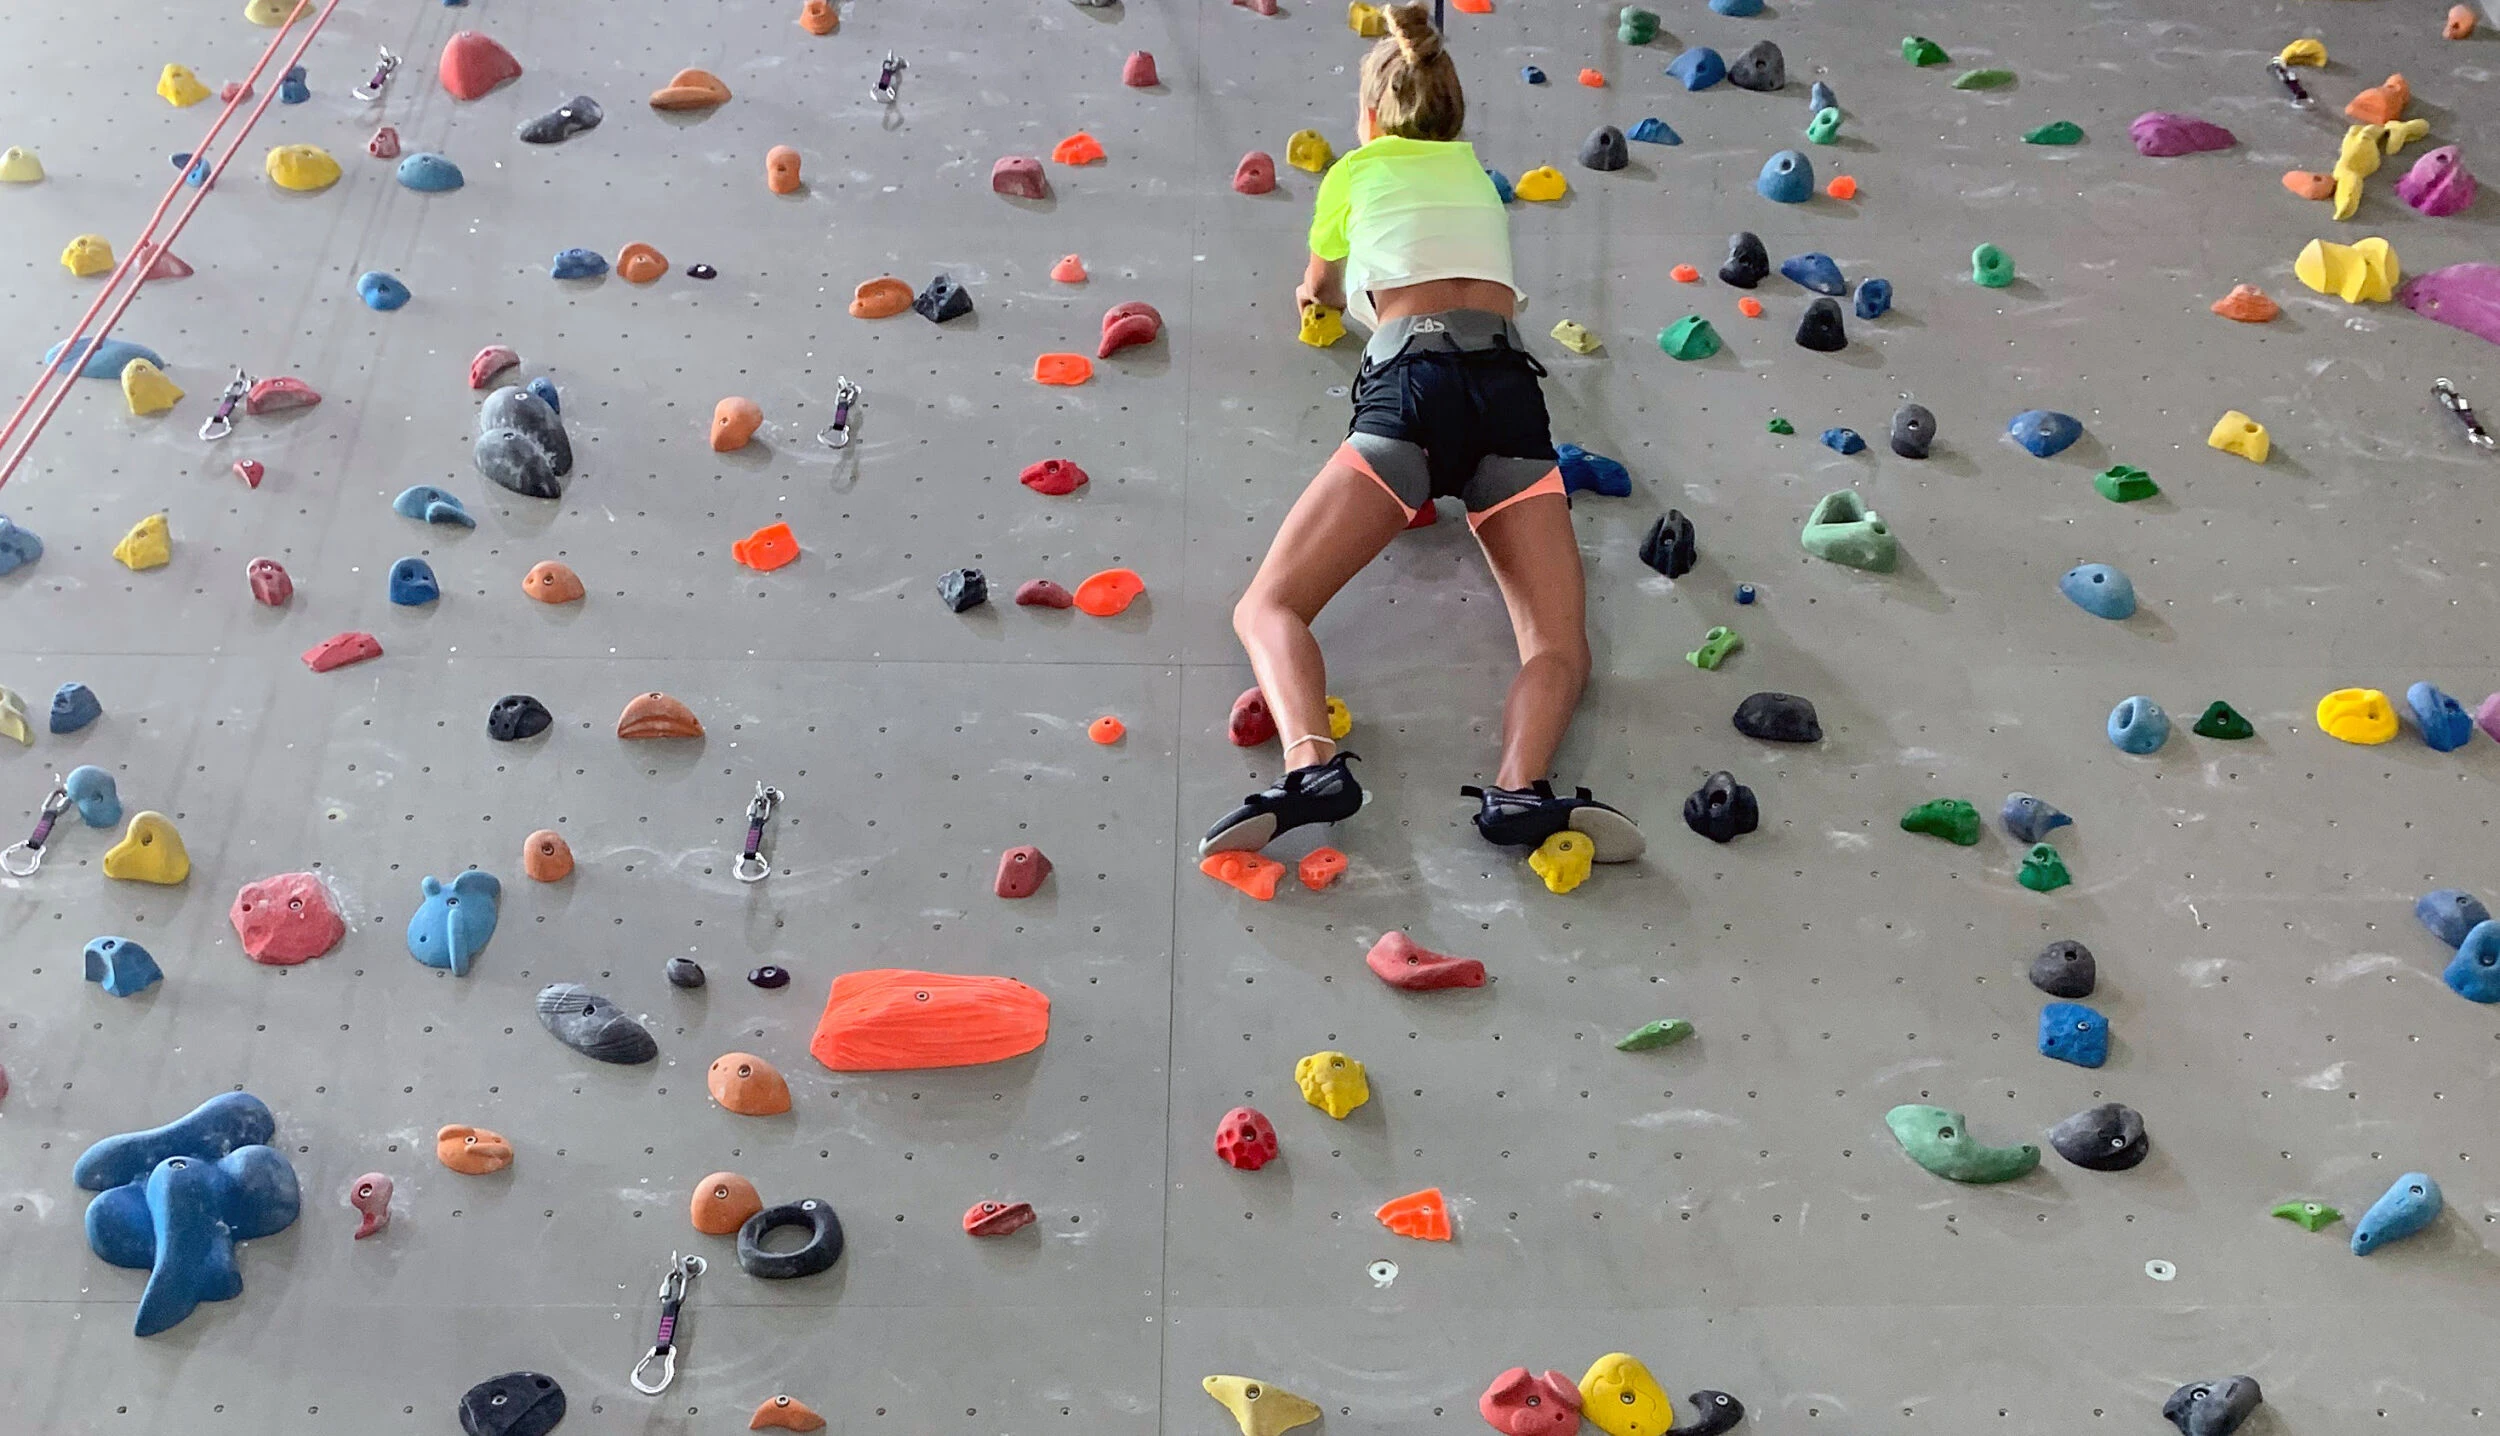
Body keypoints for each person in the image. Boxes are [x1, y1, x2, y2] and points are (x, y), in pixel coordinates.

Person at [1199, 1, 1642, 868]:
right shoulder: (1479, 179)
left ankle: (1311, 769)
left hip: (1412, 391)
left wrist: (1318, 301)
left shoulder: (1354, 173)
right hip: (1509, 399)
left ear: (1367, 119)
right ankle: (1520, 788)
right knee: (1557, 647)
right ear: (1456, 119)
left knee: (1269, 605)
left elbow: (1321, 287)